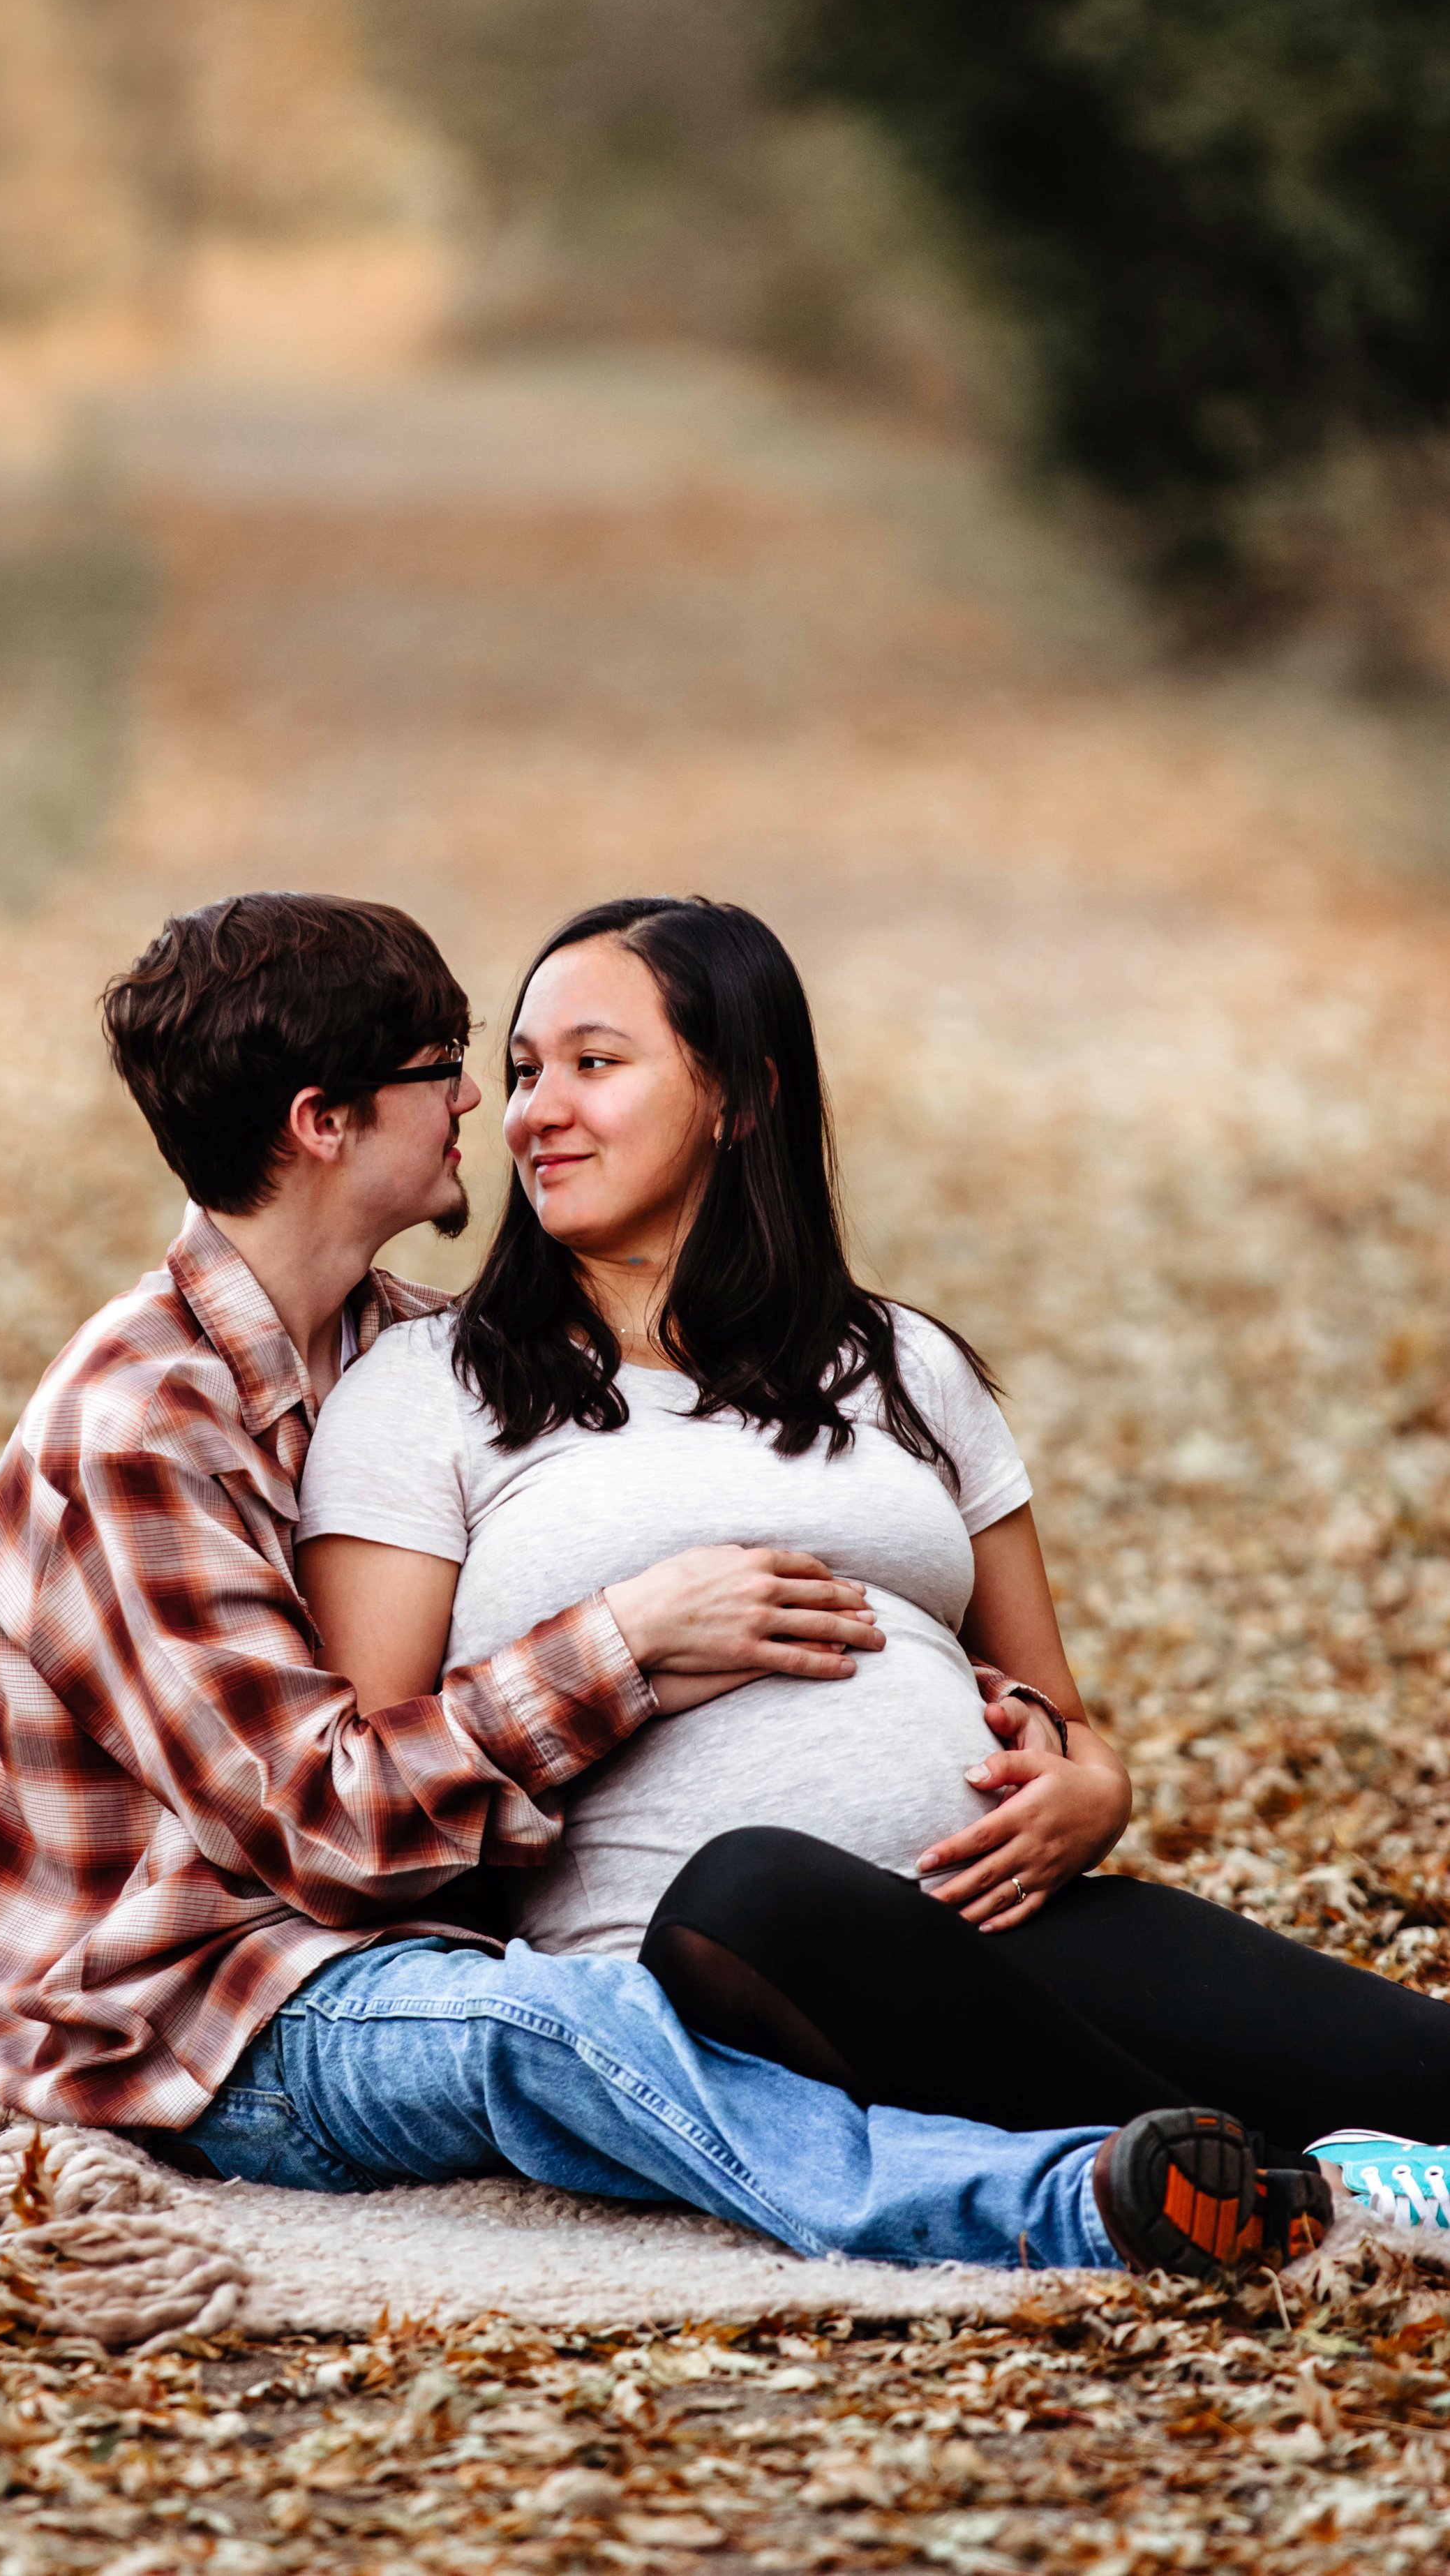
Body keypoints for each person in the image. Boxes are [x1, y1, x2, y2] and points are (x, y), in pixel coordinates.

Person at [0, 888, 1324, 2282]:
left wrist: (1051, 1746)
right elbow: (325, 1832)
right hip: (219, 2009)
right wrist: (628, 1645)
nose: (490, 1107)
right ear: (323, 1121)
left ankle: (1313, 2153)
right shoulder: (136, 1426)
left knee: (567, 2015)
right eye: (459, 1073)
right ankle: (1065, 2204)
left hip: (489, 1951)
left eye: (562, 1067)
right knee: (563, 2035)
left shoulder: (395, 1343)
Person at [296, 892, 1448, 2219]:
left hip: (1006, 1922)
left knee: (1428, 2064)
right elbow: (375, 1798)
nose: (533, 1112)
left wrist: (1095, 1788)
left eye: (593, 1064)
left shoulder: (904, 1363)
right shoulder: (428, 1389)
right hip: (713, 1976)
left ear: (741, 1094)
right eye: (520, 1071)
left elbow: (1053, 1707)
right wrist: (629, 1641)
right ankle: (1303, 2185)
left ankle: (1270, 2165)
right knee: (753, 1880)